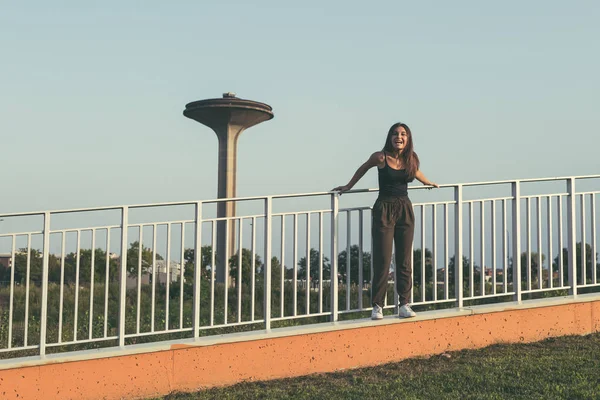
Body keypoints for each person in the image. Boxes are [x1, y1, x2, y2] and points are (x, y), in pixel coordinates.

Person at [332, 122, 439, 320]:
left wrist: (428, 182)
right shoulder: (380, 157)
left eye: (403, 134)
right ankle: (377, 306)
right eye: (395, 134)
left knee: (404, 259)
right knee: (382, 259)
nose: (399, 137)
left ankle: (404, 304)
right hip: (384, 209)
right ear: (390, 137)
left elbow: (416, 173)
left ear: (408, 138)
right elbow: (363, 168)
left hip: (405, 209)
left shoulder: (411, 159)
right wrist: (347, 186)